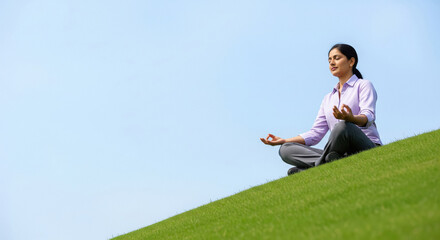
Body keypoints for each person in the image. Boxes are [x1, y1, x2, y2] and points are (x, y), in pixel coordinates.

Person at [260, 43, 382, 176]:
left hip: (365, 146)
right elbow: (316, 134)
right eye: (329, 60)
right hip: (337, 152)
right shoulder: (328, 99)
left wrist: (351, 118)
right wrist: (284, 140)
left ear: (351, 61)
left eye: (336, 58)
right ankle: (332, 161)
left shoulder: (363, 85)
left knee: (343, 127)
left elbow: (368, 116)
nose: (332, 63)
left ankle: (316, 166)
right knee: (286, 150)